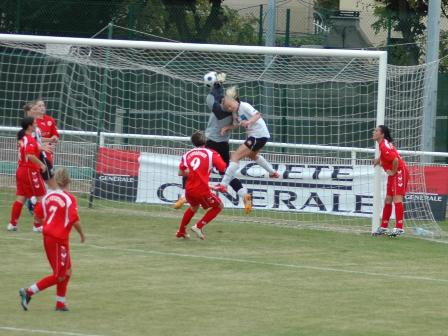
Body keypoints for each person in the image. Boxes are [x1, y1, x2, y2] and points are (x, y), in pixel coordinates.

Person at [174, 72, 253, 213]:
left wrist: (217, 85)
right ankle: (244, 194)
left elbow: (218, 109)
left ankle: (183, 196)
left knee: (192, 168)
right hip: (223, 143)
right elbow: (233, 118)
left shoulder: (212, 100)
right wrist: (219, 85)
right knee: (226, 173)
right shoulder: (235, 109)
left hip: (210, 142)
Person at [19, 167, 85, 312]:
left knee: (67, 271)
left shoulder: (48, 197)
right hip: (57, 240)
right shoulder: (69, 198)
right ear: (68, 182)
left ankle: (60, 303)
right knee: (59, 275)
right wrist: (82, 235)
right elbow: (74, 220)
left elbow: (37, 215)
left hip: (51, 237)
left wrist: (47, 225)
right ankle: (28, 291)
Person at [213, 86, 279, 194]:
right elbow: (236, 124)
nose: (229, 109)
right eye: (227, 108)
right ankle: (273, 173)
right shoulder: (235, 112)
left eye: (230, 106)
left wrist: (249, 122)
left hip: (258, 135)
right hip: (258, 136)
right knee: (252, 155)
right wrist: (227, 128)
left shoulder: (245, 106)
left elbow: (257, 115)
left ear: (234, 100)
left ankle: (223, 185)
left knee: (235, 156)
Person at [176, 130, 227, 240]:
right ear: (205, 141)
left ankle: (181, 231)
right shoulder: (211, 153)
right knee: (219, 206)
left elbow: (181, 173)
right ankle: (198, 226)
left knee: (193, 207)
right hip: (202, 189)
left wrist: (192, 173)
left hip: (189, 189)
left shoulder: (187, 154)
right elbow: (222, 167)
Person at [7, 116, 47, 232]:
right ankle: (37, 225)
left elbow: (30, 150)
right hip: (29, 170)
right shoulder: (29, 139)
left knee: (21, 197)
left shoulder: (23, 138)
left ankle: (12, 224)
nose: (36, 125)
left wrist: (41, 148)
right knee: (41, 197)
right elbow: (30, 155)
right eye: (35, 123)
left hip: (21, 170)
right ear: (29, 126)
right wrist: (41, 165)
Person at [372, 125, 410, 237]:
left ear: (382, 134)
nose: (374, 132)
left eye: (376, 131)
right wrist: (378, 161)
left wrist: (393, 172)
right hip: (394, 173)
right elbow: (385, 155)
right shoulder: (383, 144)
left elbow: (395, 159)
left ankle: (399, 228)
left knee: (397, 198)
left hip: (399, 172)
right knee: (388, 200)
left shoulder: (383, 145)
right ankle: (383, 227)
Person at [31, 99, 59, 190]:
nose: (42, 108)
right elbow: (35, 138)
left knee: (48, 176)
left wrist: (54, 138)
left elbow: (55, 135)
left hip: (48, 153)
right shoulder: (33, 122)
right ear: (34, 108)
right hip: (36, 153)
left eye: (43, 105)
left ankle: (46, 198)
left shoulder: (50, 120)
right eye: (39, 106)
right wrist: (49, 139)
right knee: (37, 177)